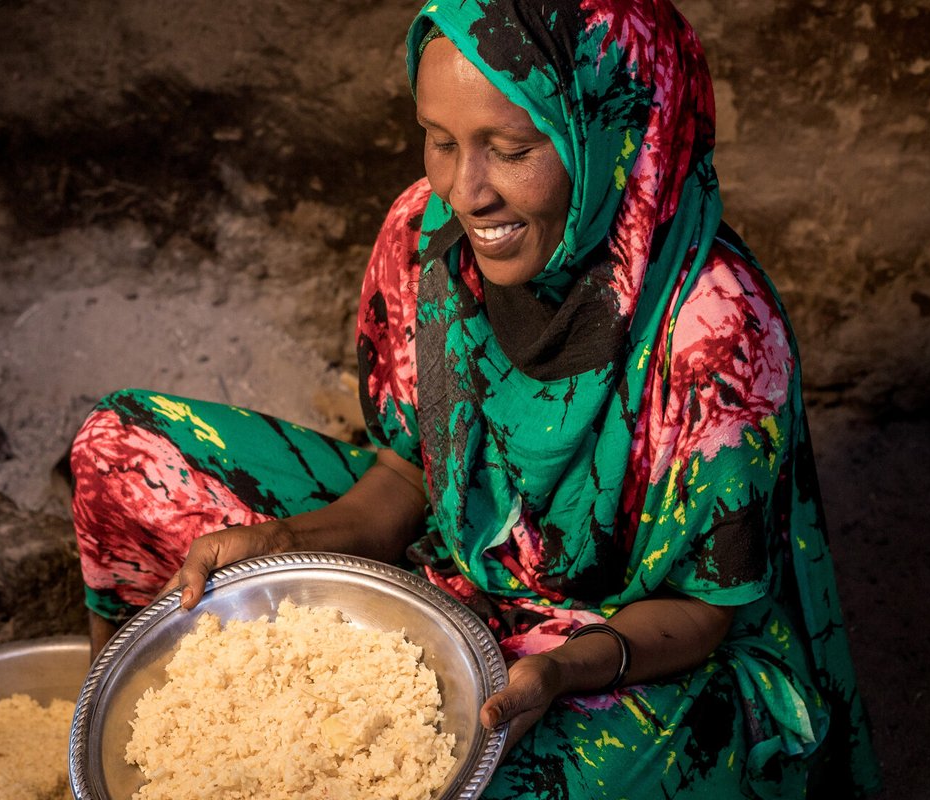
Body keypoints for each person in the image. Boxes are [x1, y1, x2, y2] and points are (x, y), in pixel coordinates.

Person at [68, 0, 882, 796]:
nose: (466, 190)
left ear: (611, 133)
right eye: (440, 140)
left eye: (512, 148)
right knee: (120, 451)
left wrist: (558, 671)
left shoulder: (716, 330)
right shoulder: (427, 234)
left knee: (497, 776)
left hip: (633, 649)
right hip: (455, 569)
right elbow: (411, 474)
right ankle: (112, 744)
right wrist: (286, 539)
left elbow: (700, 615)